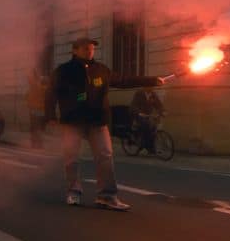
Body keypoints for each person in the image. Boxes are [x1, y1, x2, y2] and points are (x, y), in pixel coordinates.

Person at [46, 36, 163, 210]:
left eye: (92, 48)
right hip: (72, 121)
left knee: (105, 157)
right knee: (72, 159)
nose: (90, 50)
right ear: (75, 50)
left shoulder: (101, 70)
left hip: (98, 120)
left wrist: (152, 80)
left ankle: (107, 196)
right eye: (85, 48)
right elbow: (51, 94)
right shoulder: (63, 71)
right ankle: (73, 192)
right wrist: (50, 117)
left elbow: (124, 80)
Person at [131, 86, 165, 153]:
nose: (152, 88)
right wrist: (138, 113)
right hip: (137, 114)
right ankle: (142, 143)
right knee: (146, 125)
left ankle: (150, 146)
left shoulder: (153, 94)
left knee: (153, 127)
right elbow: (134, 105)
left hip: (147, 115)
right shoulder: (139, 93)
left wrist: (163, 111)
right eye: (150, 86)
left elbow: (158, 104)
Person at [26, 68, 49, 149]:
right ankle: (39, 144)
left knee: (34, 129)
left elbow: (30, 80)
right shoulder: (45, 90)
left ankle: (35, 144)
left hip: (34, 112)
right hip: (42, 112)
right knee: (40, 129)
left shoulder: (35, 88)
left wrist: (34, 73)